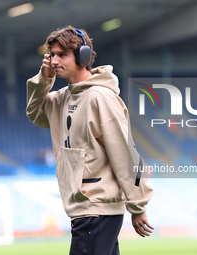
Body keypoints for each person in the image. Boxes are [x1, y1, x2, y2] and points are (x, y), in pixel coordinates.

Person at [26, 25, 153, 255]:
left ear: (83, 56)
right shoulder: (61, 99)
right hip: (85, 210)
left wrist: (138, 206)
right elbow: (34, 112)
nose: (54, 60)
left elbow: (124, 153)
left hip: (97, 210)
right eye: (52, 55)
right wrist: (44, 80)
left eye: (62, 54)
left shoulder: (100, 97)